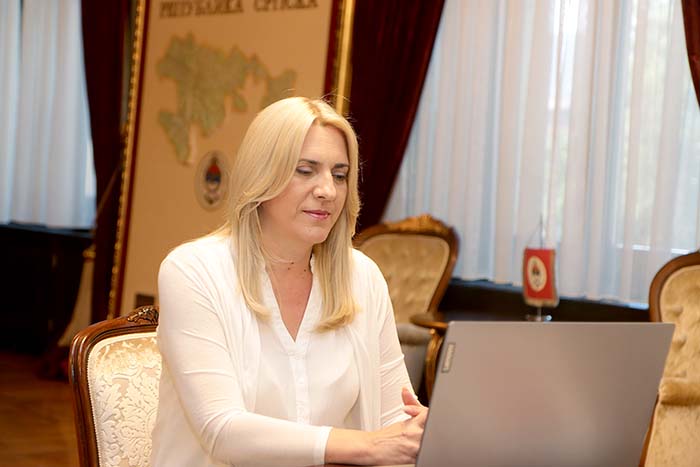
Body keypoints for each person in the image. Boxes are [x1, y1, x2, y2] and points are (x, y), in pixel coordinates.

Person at [151, 97, 427, 467]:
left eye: (340, 175)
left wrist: (418, 430)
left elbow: (394, 416)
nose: (328, 190)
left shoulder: (363, 277)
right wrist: (368, 446)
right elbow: (221, 429)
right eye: (305, 171)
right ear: (262, 176)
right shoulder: (192, 271)